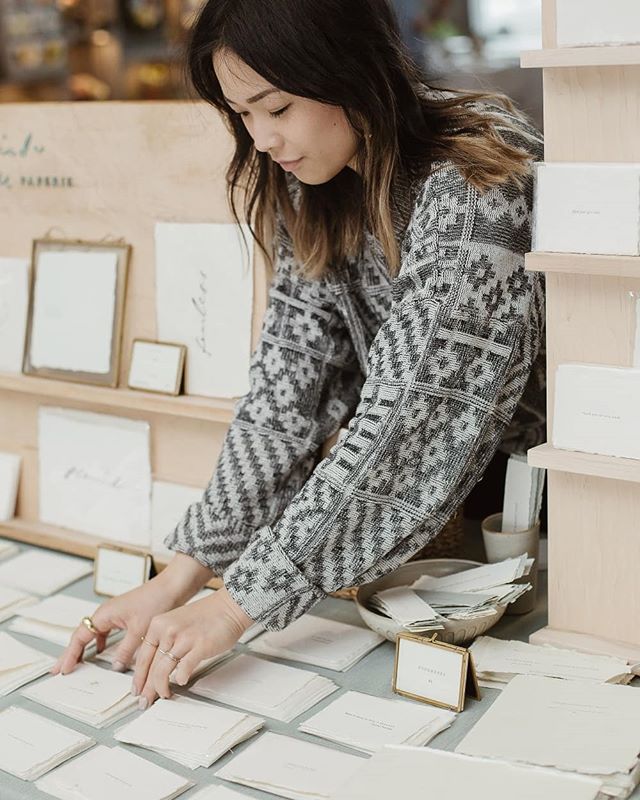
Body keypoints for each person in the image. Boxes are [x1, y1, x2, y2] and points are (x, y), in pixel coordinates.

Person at [55, 0, 545, 711]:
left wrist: (235, 607)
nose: (262, 140)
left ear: (345, 69)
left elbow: (411, 418)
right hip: (455, 514)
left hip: (561, 505)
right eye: (243, 116)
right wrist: (181, 576)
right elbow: (285, 389)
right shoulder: (318, 182)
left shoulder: (475, 175)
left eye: (275, 107)